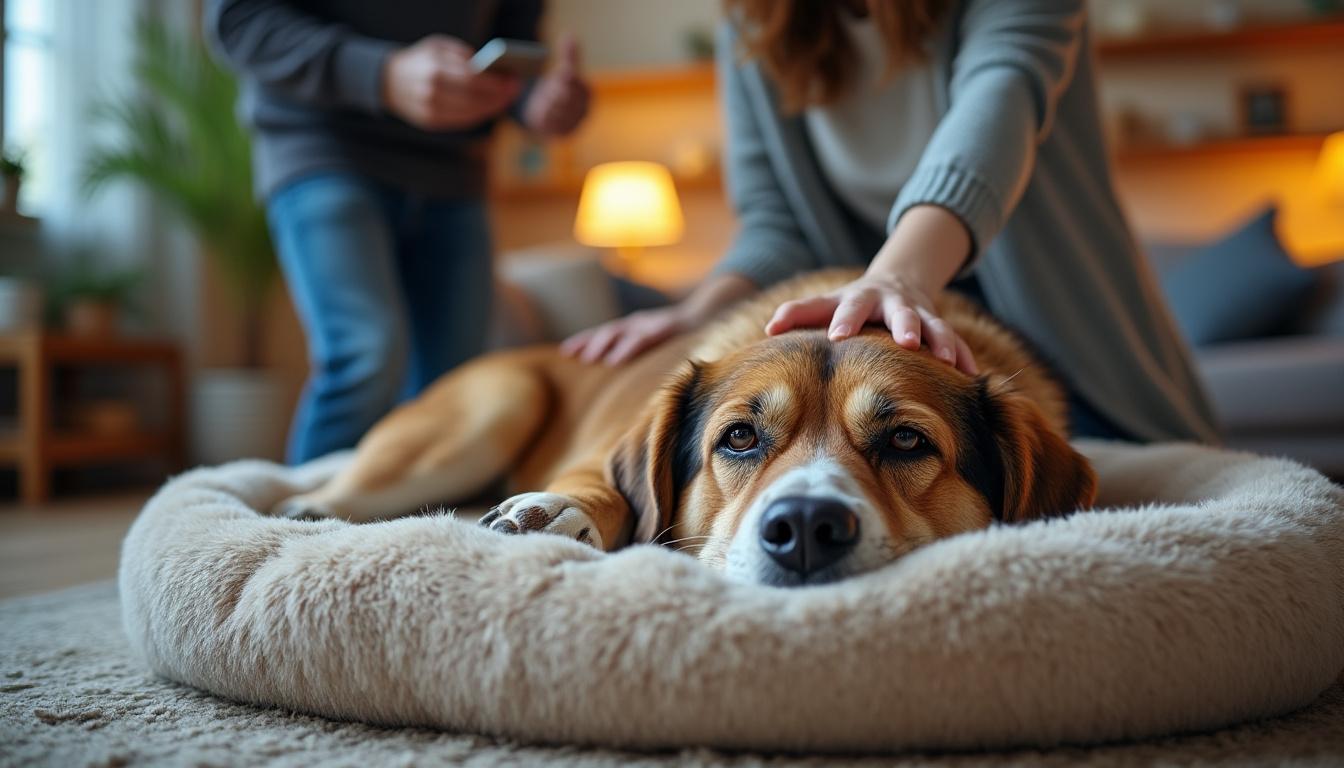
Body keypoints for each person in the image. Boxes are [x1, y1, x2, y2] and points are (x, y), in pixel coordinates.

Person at [563, 0, 1219, 443]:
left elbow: (998, 112)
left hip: (1067, 353)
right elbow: (775, 224)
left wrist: (899, 279)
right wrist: (696, 312)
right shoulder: (754, 22)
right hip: (883, 338)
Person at [207, 1, 590, 463]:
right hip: (323, 148)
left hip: (453, 172)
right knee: (365, 354)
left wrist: (536, 103)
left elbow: (512, 38)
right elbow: (239, 18)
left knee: (451, 390)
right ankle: (301, 511)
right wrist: (381, 74)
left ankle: (410, 511)